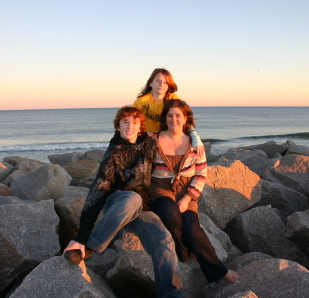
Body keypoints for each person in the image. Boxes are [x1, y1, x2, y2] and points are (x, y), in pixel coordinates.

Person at [63, 106, 183, 297]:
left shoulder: (150, 144)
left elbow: (174, 135)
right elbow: (97, 192)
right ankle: (91, 246)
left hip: (142, 209)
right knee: (132, 198)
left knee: (164, 240)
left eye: (135, 122)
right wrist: (80, 237)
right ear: (118, 126)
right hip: (118, 202)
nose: (130, 126)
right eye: (125, 122)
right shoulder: (113, 153)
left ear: (141, 126)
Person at [149, 99, 240, 284]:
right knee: (169, 212)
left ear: (185, 119)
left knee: (191, 227)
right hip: (160, 188)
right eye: (169, 115)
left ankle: (219, 270)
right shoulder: (152, 140)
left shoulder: (195, 144)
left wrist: (187, 198)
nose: (173, 119)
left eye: (178, 115)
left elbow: (201, 174)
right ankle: (183, 251)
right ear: (164, 118)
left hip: (186, 191)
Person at [132, 68, 204, 154]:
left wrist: (196, 138)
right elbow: (132, 122)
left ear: (169, 85)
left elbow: (185, 119)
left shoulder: (173, 99)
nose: (161, 84)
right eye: (158, 81)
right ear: (151, 83)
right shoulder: (141, 102)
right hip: (147, 140)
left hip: (167, 139)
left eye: (165, 82)